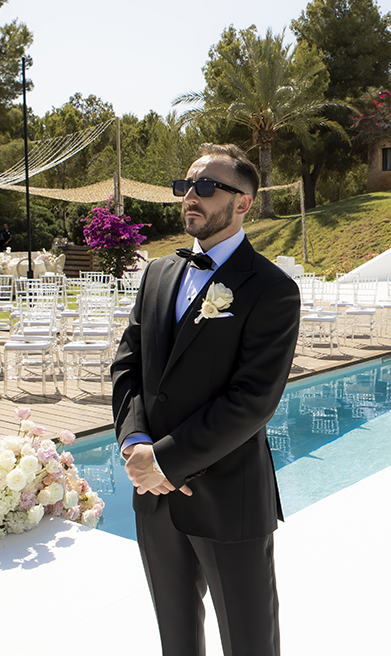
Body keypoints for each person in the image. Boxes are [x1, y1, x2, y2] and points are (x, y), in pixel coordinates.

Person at [111, 143, 300, 656]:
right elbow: (129, 367)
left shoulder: (271, 289)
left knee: (249, 642)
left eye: (206, 186)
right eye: (185, 185)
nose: (190, 195)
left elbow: (252, 401)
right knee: (176, 639)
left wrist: (166, 461)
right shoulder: (156, 274)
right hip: (151, 497)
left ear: (243, 203)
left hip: (227, 499)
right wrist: (136, 443)